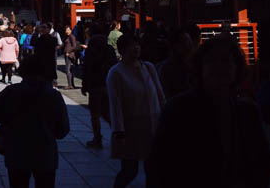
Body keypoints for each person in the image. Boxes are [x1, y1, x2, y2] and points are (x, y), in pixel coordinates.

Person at [148, 36, 270, 188]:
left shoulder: (248, 111)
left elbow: (262, 161)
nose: (219, 66)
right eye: (212, 60)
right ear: (200, 68)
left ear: (237, 68)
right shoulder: (178, 109)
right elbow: (159, 165)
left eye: (226, 60)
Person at [0, 55, 70, 188]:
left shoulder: (11, 92)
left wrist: (6, 117)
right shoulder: (53, 96)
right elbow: (63, 130)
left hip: (17, 152)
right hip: (44, 152)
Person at [106, 32, 165, 188]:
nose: (136, 48)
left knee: (153, 168)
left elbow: (159, 94)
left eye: (137, 45)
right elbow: (115, 104)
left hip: (153, 124)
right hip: (131, 127)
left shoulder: (148, 67)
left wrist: (165, 117)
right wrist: (119, 131)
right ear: (123, 49)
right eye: (132, 46)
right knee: (129, 170)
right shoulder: (116, 73)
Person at [81, 23, 116, 149]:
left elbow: (86, 68)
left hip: (94, 84)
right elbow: (114, 67)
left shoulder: (91, 49)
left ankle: (97, 138)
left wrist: (85, 85)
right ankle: (117, 135)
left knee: (95, 114)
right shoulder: (109, 49)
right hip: (107, 84)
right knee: (108, 113)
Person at [157, 28, 194, 100]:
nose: (190, 43)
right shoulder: (168, 69)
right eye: (185, 41)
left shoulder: (165, 67)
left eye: (189, 40)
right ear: (175, 45)